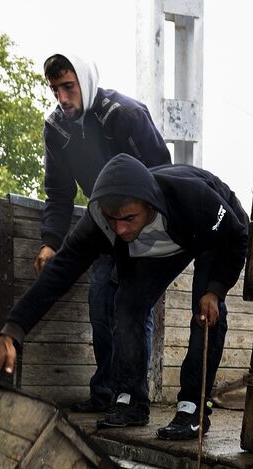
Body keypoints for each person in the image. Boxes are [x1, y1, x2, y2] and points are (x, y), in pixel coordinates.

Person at [0, 153, 248, 440]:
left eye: (129, 217)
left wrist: (215, 289)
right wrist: (11, 333)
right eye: (112, 219)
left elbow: (237, 236)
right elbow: (58, 274)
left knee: (205, 311)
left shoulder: (193, 198)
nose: (120, 229)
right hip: (159, 243)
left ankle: (193, 407)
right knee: (127, 304)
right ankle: (132, 400)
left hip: (212, 233)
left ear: (150, 204)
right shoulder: (101, 225)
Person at [39, 52, 170, 413]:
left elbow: (163, 172)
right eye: (55, 90)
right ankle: (105, 395)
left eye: (69, 87)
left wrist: (150, 232)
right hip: (104, 227)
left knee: (131, 308)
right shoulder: (57, 129)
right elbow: (59, 193)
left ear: (85, 80)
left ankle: (132, 397)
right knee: (100, 305)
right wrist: (50, 243)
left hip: (142, 228)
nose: (62, 98)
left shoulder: (125, 114)